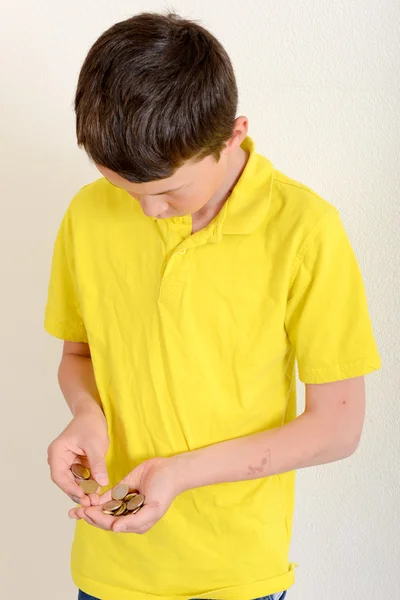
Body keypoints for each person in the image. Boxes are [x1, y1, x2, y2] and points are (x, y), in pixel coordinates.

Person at [44, 10, 381, 600]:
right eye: (125, 190)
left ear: (232, 133)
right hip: (107, 569)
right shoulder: (86, 213)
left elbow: (338, 426)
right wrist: (85, 414)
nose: (147, 211)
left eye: (168, 191)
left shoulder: (305, 230)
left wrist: (180, 473)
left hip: (236, 575)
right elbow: (78, 355)